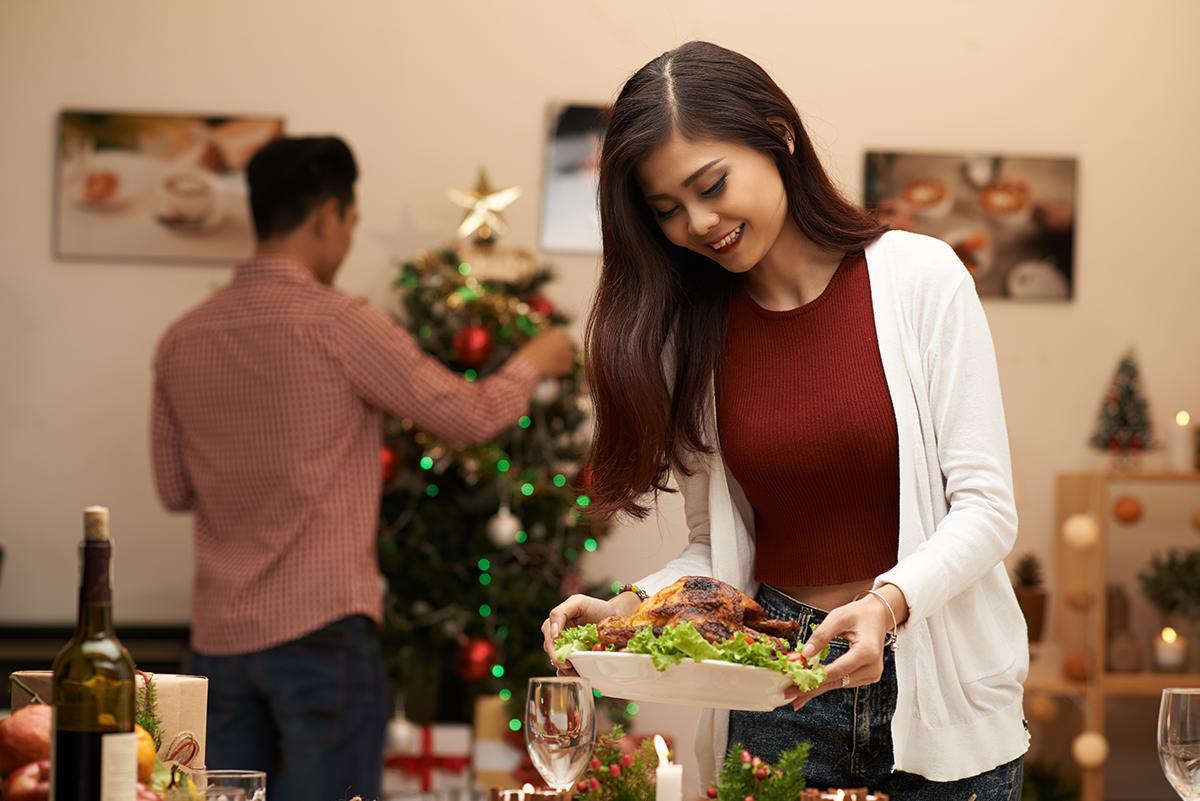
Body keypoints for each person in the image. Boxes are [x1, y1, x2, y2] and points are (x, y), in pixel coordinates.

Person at [540, 42, 1027, 800]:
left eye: (711, 184)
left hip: (939, 694)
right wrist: (630, 608)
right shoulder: (692, 336)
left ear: (779, 133)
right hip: (775, 690)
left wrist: (888, 603)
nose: (697, 222)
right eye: (666, 209)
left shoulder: (920, 278)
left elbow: (987, 509)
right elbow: (714, 547)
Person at [152, 136, 574, 801]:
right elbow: (465, 415)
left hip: (217, 645)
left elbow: (173, 489)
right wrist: (535, 359)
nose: (347, 234)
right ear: (327, 215)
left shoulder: (183, 337)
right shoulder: (339, 324)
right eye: (349, 220)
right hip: (322, 635)